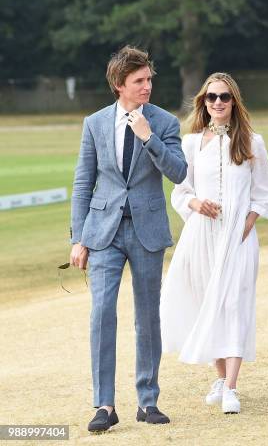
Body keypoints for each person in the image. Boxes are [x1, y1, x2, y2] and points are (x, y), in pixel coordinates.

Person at [70, 46, 187, 432]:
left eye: (149, 79)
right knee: (101, 315)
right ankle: (104, 405)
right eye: (139, 81)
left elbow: (179, 173)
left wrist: (149, 137)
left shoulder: (165, 122)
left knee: (147, 317)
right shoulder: (95, 123)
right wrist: (79, 238)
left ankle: (147, 401)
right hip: (103, 233)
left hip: (147, 231)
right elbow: (83, 182)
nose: (147, 86)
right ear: (120, 85)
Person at [160, 72, 268, 414]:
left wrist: (247, 222)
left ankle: (231, 387)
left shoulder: (252, 142)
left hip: (238, 239)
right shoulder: (191, 143)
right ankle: (219, 375)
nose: (217, 103)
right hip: (202, 236)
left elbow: (266, 193)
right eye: (211, 97)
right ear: (203, 102)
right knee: (206, 302)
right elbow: (181, 191)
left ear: (234, 101)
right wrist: (195, 203)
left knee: (234, 304)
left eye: (224, 97)